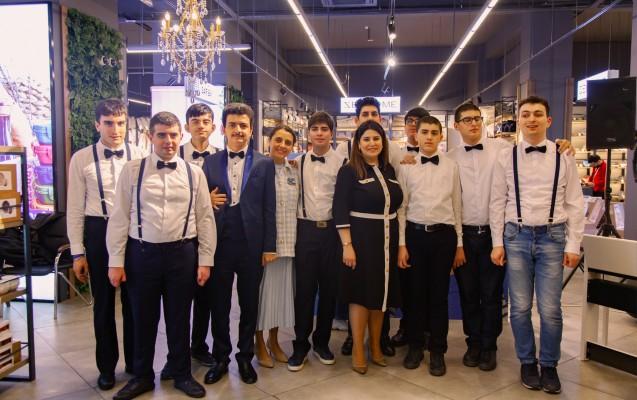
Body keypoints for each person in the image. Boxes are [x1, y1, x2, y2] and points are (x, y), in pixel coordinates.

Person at [106, 111, 216, 399]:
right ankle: (142, 376)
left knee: (179, 318)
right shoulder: (132, 170)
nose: (168, 141)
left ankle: (181, 373)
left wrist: (206, 260)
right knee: (143, 318)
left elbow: (205, 218)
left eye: (173, 135)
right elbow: (119, 217)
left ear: (181, 136)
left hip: (182, 253)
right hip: (142, 253)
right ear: (150, 137)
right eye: (162, 135)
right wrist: (115, 261)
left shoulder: (194, 173)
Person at [490, 96, 584, 394]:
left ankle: (550, 365)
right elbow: (497, 201)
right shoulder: (505, 157)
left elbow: (575, 203)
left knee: (550, 308)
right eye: (526, 114)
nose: (531, 119)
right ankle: (527, 362)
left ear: (548, 120)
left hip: (552, 238)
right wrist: (497, 242)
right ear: (518, 120)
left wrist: (574, 244)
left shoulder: (564, 155)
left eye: (538, 114)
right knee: (519, 307)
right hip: (515, 236)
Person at [67, 99, 142, 391]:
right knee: (103, 305)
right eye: (109, 123)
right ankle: (106, 368)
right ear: (97, 124)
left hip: (133, 232)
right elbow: (75, 209)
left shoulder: (140, 154)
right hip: (98, 230)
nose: (115, 129)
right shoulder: (81, 158)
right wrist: (77, 252)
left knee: (134, 303)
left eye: (120, 123)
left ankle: (135, 364)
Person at [201, 103, 276, 385]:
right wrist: (206, 200)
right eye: (232, 125)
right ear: (223, 129)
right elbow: (199, 203)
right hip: (219, 242)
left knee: (249, 303)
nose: (238, 130)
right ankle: (221, 357)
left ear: (251, 130)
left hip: (251, 244)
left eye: (243, 125)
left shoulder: (264, 163)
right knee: (218, 303)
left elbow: (269, 206)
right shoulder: (210, 162)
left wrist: (269, 246)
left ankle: (245, 356)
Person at [333, 120, 403, 374]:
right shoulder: (349, 170)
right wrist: (347, 245)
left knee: (381, 295)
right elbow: (339, 208)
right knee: (360, 294)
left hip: (387, 240)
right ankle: (358, 349)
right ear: (358, 144)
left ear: (383, 142)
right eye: (366, 139)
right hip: (361, 240)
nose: (372, 143)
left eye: (376, 138)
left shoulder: (389, 169)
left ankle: (375, 345)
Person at [397, 115, 463, 377]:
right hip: (414, 235)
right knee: (414, 295)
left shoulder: (451, 166)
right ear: (416, 135)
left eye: (434, 133)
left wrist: (459, 244)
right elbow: (401, 208)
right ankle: (415, 347)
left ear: (441, 136)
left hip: (443, 237)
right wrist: (402, 244)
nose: (429, 137)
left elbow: (457, 206)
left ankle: (437, 350)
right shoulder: (407, 166)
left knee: (439, 296)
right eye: (424, 132)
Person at [288, 111, 344, 372]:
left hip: (333, 233)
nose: (319, 133)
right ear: (308, 133)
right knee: (304, 291)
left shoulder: (343, 163)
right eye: (315, 129)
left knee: (329, 291)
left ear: (331, 133)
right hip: (306, 231)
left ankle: (322, 342)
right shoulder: (296, 163)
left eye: (324, 129)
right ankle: (300, 344)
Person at [255, 125, 298, 368]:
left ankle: (274, 340)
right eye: (278, 140)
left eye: (287, 142)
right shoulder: (259, 168)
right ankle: (258, 342)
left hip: (289, 245)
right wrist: (264, 245)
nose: (282, 145)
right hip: (266, 248)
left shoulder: (293, 171)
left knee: (280, 298)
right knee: (261, 297)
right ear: (269, 141)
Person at [179, 103, 218, 368]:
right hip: (181, 235)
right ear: (187, 126)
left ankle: (199, 345)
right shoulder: (175, 153)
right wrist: (205, 200)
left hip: (210, 234)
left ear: (213, 126)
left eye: (205, 121)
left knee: (206, 295)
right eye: (195, 121)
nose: (200, 126)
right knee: (180, 298)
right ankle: (178, 350)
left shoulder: (221, 156)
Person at [391, 106, 430, 349]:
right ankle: (406, 327)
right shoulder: (395, 156)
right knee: (405, 282)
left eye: (419, 121)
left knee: (427, 284)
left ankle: (426, 329)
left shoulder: (442, 157)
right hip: (403, 227)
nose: (414, 125)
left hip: (430, 227)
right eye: (410, 121)